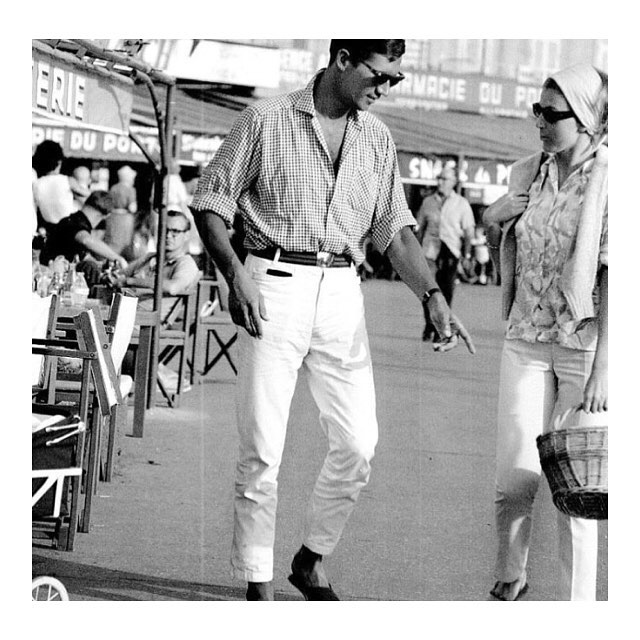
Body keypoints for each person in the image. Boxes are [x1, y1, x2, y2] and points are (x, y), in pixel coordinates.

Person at [189, 39, 475, 602]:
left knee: (359, 442)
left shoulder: (376, 138)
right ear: (342, 58)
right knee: (263, 448)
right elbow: (209, 201)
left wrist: (432, 296)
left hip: (344, 290)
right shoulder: (266, 120)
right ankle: (258, 585)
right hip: (272, 284)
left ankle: (311, 557)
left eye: (396, 78)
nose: (387, 87)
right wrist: (235, 275)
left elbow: (393, 227)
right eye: (380, 74)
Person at [482, 63, 608, 601]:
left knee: (574, 489)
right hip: (526, 338)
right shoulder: (524, 173)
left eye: (551, 114)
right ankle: (512, 575)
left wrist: (607, 367)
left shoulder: (615, 181)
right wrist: (494, 222)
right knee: (514, 479)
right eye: (537, 109)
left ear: (585, 120)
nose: (539, 121)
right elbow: (508, 250)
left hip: (584, 347)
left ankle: (578, 612)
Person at [415, 166, 475, 341]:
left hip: (450, 251)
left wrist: (467, 255)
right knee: (427, 291)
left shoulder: (462, 204)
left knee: (446, 291)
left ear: (453, 182)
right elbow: (420, 228)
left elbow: (469, 233)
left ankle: (442, 328)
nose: (440, 182)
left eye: (444, 179)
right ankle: (429, 325)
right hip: (430, 251)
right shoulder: (428, 202)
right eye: (439, 178)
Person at [122, 210, 201, 314]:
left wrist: (131, 281)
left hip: (147, 321)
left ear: (186, 235)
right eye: (164, 230)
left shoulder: (185, 263)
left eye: (175, 231)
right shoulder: (150, 257)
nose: (168, 235)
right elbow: (122, 274)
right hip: (126, 311)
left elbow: (173, 287)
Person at [39, 190, 128, 270]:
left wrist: (102, 266)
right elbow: (86, 240)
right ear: (105, 216)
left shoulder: (73, 220)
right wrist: (118, 258)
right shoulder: (76, 223)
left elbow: (84, 257)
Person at [32, 140, 75, 232]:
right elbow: (87, 195)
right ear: (59, 162)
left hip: (49, 227)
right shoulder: (66, 180)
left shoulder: (37, 183)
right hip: (70, 225)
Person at [105, 165, 138, 256]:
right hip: (125, 219)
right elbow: (132, 208)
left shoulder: (113, 188)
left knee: (112, 242)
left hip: (113, 217)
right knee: (124, 243)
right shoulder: (130, 190)